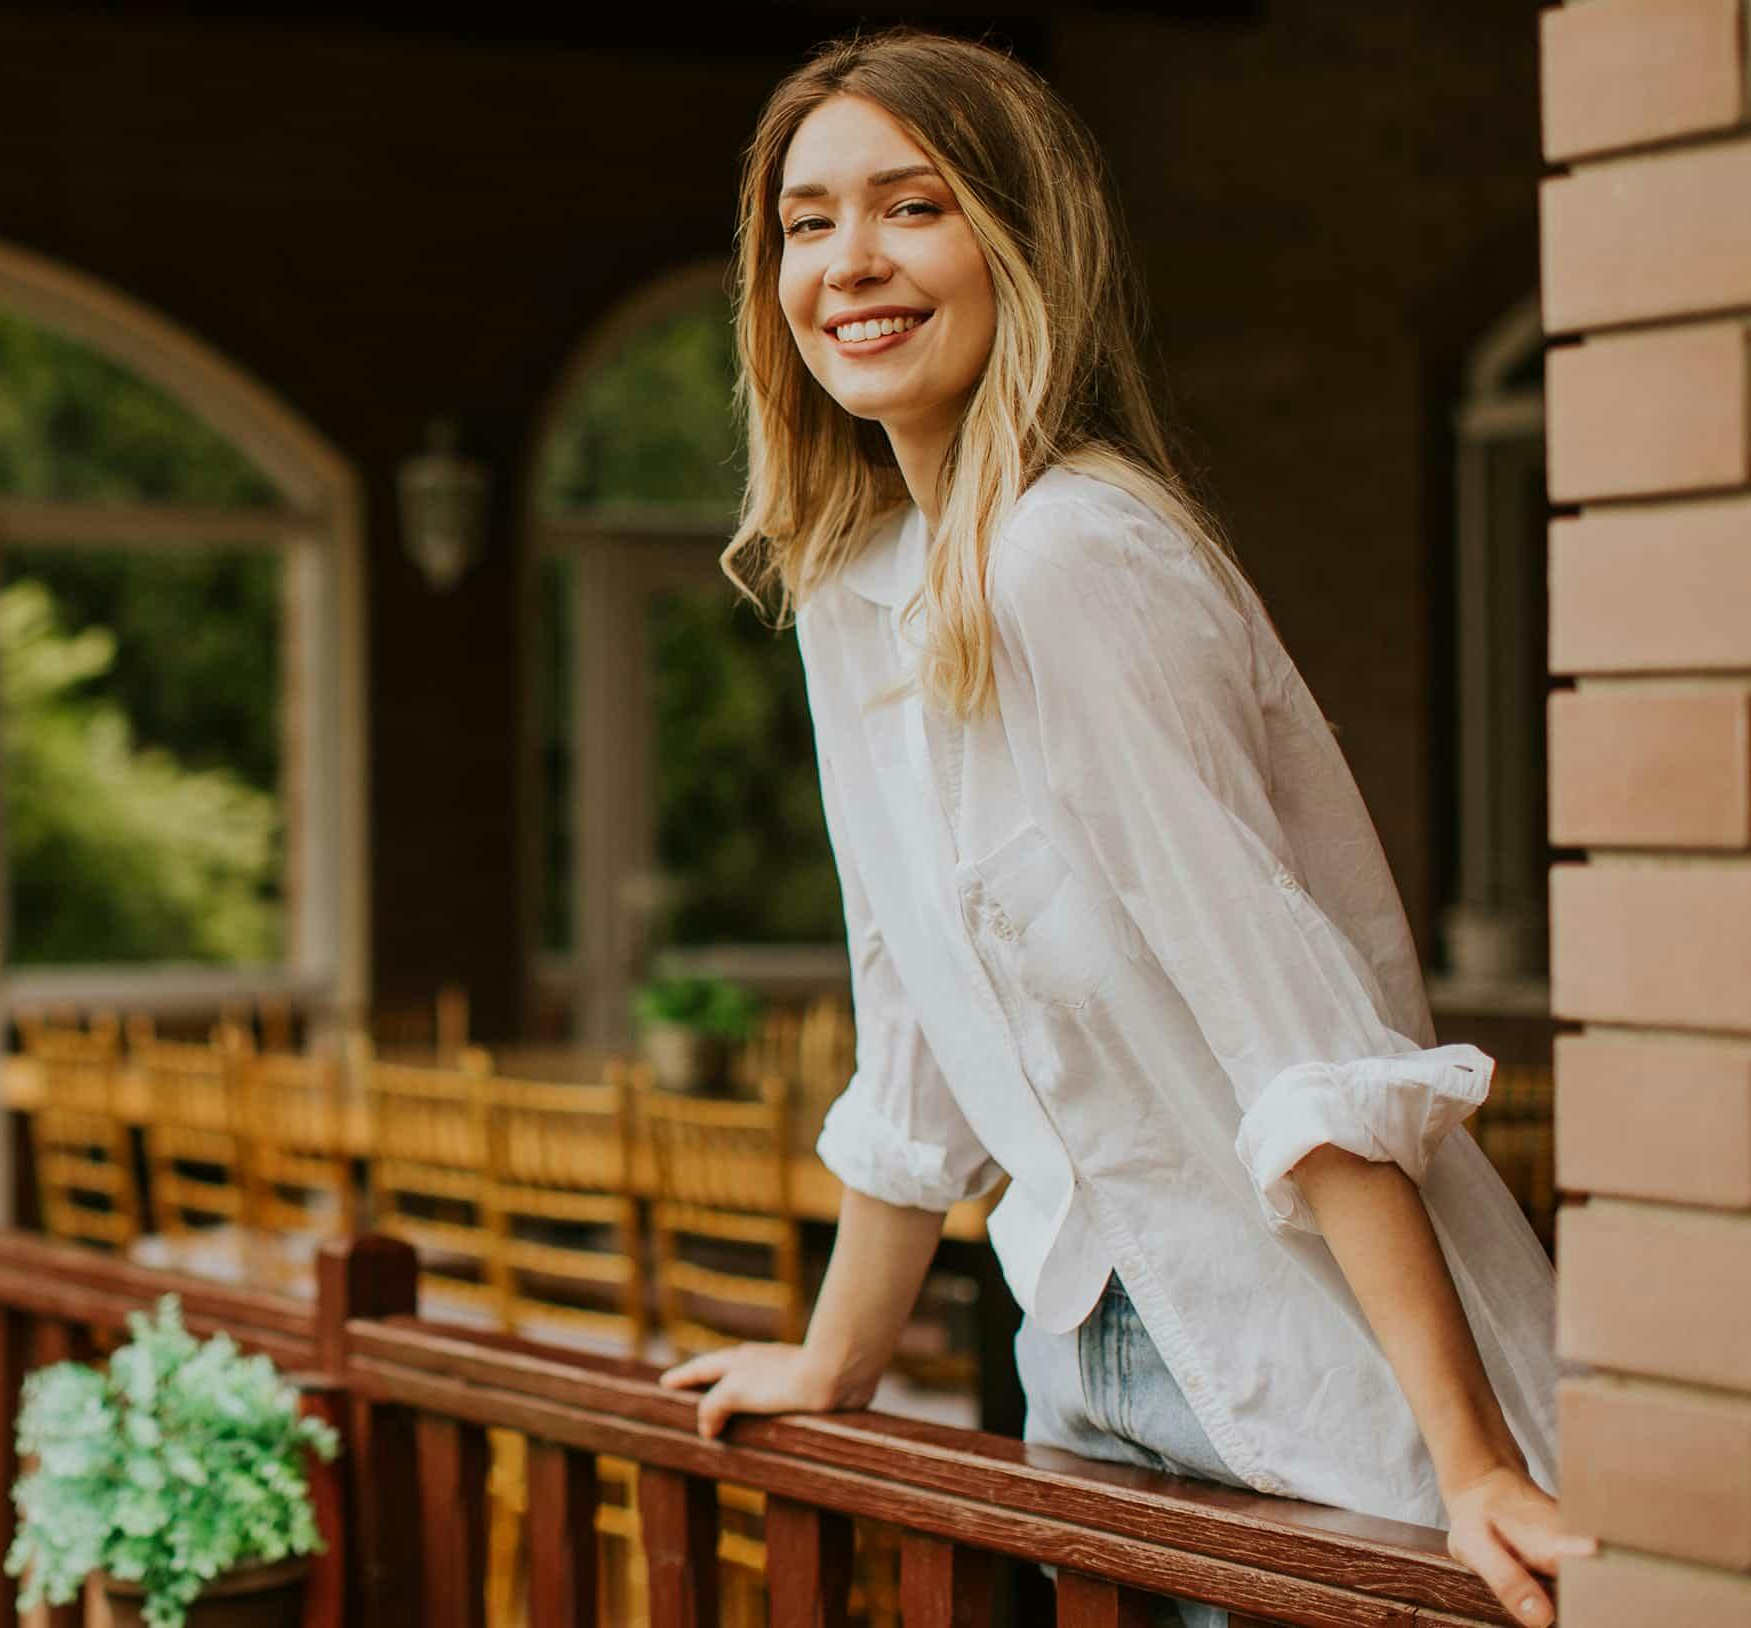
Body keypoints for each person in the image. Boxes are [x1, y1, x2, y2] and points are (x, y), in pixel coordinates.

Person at [657, 27, 1591, 1628]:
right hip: (1077, 1365)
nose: (849, 262)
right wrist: (833, 1360)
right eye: (808, 223)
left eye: (913, 206)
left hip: (1328, 1395)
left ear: (1021, 245)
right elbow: (913, 1020)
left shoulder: (1072, 556)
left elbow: (1291, 1026)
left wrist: (1475, 1463)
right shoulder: (856, 593)